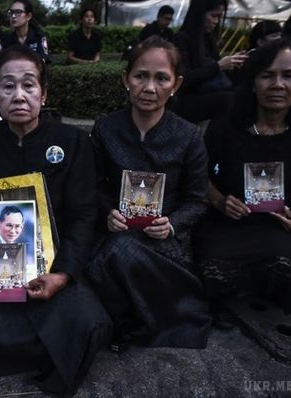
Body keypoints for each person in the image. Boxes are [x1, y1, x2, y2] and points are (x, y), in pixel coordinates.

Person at [0, 46, 112, 396]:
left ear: (44, 92)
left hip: (54, 262)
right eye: (8, 87)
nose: (19, 96)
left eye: (29, 85)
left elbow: (84, 215)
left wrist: (63, 274)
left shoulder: (72, 141)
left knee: (89, 325)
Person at [85, 36, 211, 351]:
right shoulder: (106, 128)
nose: (150, 87)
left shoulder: (188, 135)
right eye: (141, 76)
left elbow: (198, 200)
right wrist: (107, 212)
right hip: (117, 229)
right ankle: (137, 321)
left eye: (162, 78)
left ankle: (127, 323)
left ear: (176, 84)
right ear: (125, 79)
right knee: (112, 249)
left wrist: (171, 224)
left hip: (165, 239)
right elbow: (95, 185)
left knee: (112, 256)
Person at [194, 39, 291, 319]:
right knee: (213, 272)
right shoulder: (226, 126)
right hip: (229, 224)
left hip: (282, 226)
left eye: (289, 75)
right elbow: (200, 174)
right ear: (253, 82)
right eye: (267, 75)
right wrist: (219, 201)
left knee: (282, 265)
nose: (277, 84)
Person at [171, 0, 248, 123]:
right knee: (228, 99)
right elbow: (183, 79)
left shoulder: (207, 39)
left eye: (219, 17)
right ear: (199, 14)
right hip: (184, 100)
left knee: (244, 93)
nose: (216, 22)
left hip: (206, 94)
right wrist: (218, 66)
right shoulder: (182, 40)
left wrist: (234, 64)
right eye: (213, 16)